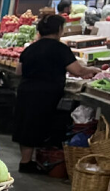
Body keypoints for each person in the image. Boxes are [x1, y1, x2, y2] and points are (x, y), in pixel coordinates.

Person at [12, 14, 98, 173]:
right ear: (59, 30)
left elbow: (18, 71)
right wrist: (92, 70)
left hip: (26, 90)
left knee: (26, 125)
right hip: (45, 93)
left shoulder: (31, 47)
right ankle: (33, 162)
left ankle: (26, 161)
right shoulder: (60, 48)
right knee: (39, 126)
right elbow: (77, 70)